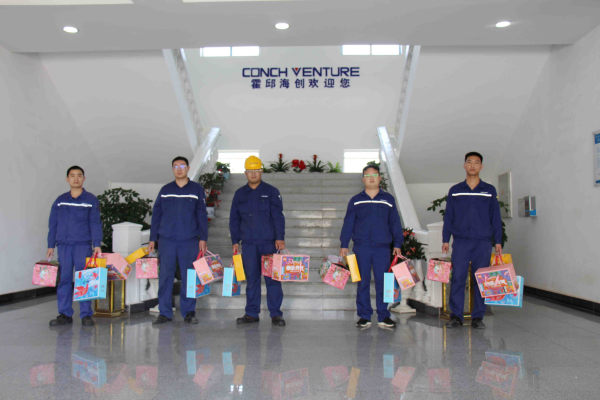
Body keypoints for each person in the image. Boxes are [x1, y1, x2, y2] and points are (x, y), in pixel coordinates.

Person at [442, 152, 503, 330]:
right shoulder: (455, 190)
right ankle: (456, 316)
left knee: (481, 280)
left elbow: (495, 217)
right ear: (464, 165)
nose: (473, 166)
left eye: (477, 163)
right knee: (458, 278)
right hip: (461, 241)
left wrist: (497, 240)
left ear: (481, 167)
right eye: (469, 162)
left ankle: (477, 317)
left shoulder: (489, 190)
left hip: (483, 242)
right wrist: (445, 239)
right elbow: (449, 216)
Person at [340, 164, 404, 328]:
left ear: (380, 178)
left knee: (383, 282)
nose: (371, 178)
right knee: (362, 282)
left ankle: (383, 315)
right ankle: (364, 316)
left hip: (382, 248)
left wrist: (398, 243)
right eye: (368, 176)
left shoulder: (388, 199)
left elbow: (395, 223)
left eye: (374, 175)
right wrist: (344, 243)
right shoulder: (356, 200)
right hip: (361, 248)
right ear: (363, 180)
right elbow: (348, 223)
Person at [149, 156, 208, 325]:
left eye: (182, 166)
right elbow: (156, 215)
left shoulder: (196, 189)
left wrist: (203, 238)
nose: (179, 169)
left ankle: (188, 312)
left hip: (189, 240)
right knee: (165, 276)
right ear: (172, 169)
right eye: (175, 166)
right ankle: (164, 312)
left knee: (189, 276)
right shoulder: (165, 190)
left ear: (188, 168)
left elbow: (201, 215)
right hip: (167, 240)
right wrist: (153, 238)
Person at [230, 156, 286, 326]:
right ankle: (251, 313)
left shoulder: (272, 191)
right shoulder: (239, 194)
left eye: (256, 170)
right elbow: (234, 218)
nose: (253, 174)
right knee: (252, 279)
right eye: (250, 171)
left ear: (261, 171)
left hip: (269, 243)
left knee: (272, 279)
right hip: (248, 244)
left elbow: (278, 217)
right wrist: (235, 240)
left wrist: (280, 237)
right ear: (245, 173)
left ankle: (275, 314)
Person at [47, 166, 102, 327]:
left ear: (84, 178)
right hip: (64, 245)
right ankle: (65, 314)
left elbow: (95, 223)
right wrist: (51, 245)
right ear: (67, 179)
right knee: (64, 279)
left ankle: (86, 315)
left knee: (85, 279)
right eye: (72, 175)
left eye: (79, 175)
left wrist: (97, 244)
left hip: (82, 245)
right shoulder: (60, 200)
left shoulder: (90, 199)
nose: (76, 178)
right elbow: (53, 224)